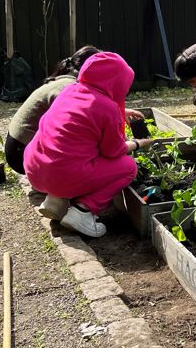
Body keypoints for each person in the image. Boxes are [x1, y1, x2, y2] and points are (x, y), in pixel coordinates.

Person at [23, 52, 153, 237]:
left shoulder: (69, 90)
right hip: (62, 176)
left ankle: (56, 200)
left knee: (72, 151)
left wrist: (119, 114)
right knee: (128, 167)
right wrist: (138, 143)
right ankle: (82, 212)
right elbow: (113, 151)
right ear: (118, 83)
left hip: (35, 171)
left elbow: (84, 116)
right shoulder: (107, 109)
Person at [5, 46, 112, 175]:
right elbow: (80, 121)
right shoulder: (70, 87)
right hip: (21, 154)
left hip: (17, 146)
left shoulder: (64, 80)